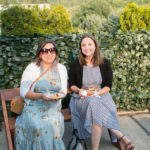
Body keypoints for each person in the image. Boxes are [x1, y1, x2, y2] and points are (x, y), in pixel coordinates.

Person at [68, 34, 135, 150]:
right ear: (80, 48)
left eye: (89, 44)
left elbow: (108, 86)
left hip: (102, 95)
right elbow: (72, 85)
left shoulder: (105, 63)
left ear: (95, 46)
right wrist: (80, 90)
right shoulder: (76, 64)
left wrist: (96, 93)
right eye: (83, 45)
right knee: (94, 103)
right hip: (81, 98)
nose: (87, 47)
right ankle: (122, 137)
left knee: (96, 108)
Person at [14, 40, 67, 150]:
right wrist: (41, 96)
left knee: (54, 125)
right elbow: (23, 92)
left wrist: (59, 95)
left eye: (52, 50)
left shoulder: (61, 68)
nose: (49, 54)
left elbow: (63, 91)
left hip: (53, 108)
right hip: (34, 108)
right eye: (45, 51)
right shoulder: (32, 68)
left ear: (56, 53)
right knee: (39, 126)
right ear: (39, 54)